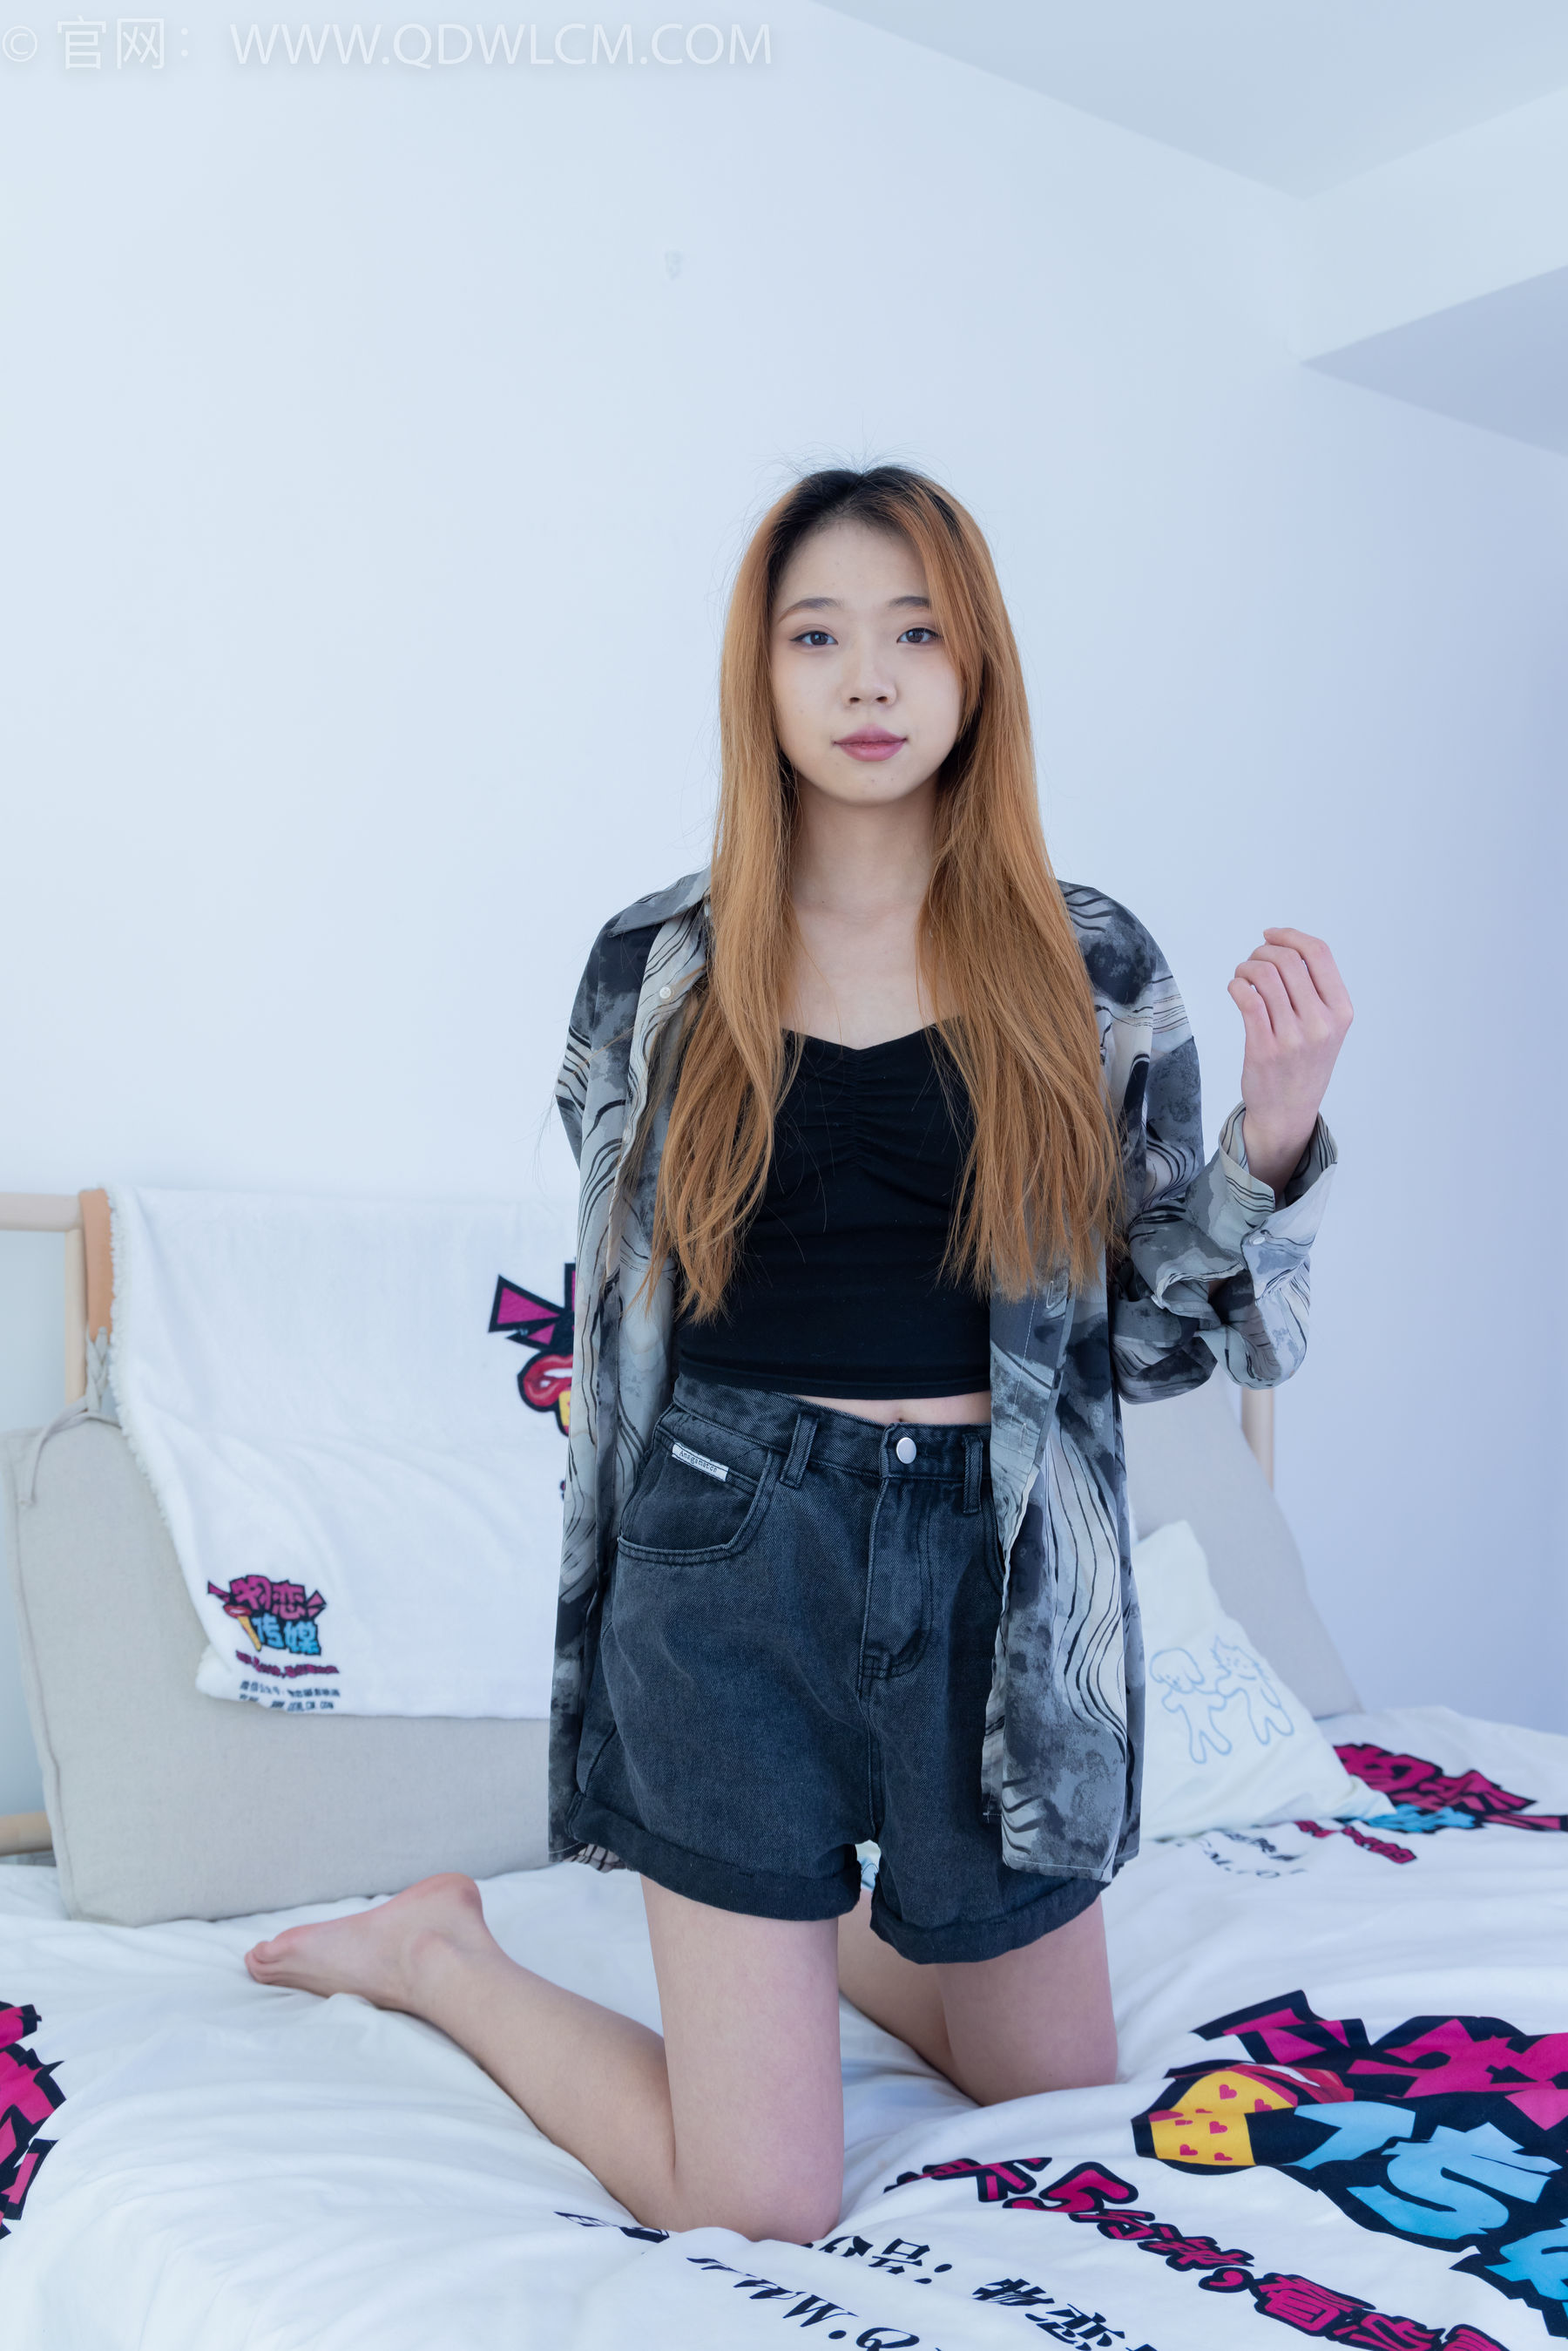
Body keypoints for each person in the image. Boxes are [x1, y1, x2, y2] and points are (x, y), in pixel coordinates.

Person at [245, 465, 1351, 2246]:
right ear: (757, 678)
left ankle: (796, 1912)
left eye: (916, 634)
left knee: (1056, 2090)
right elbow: (627, 1298)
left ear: (977, 670)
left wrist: (1274, 1138)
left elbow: (1155, 1344)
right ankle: (448, 1953)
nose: (869, 679)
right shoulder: (653, 967)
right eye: (817, 637)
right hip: (733, 1546)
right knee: (756, 2196)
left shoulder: (1086, 961)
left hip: (996, 1570)